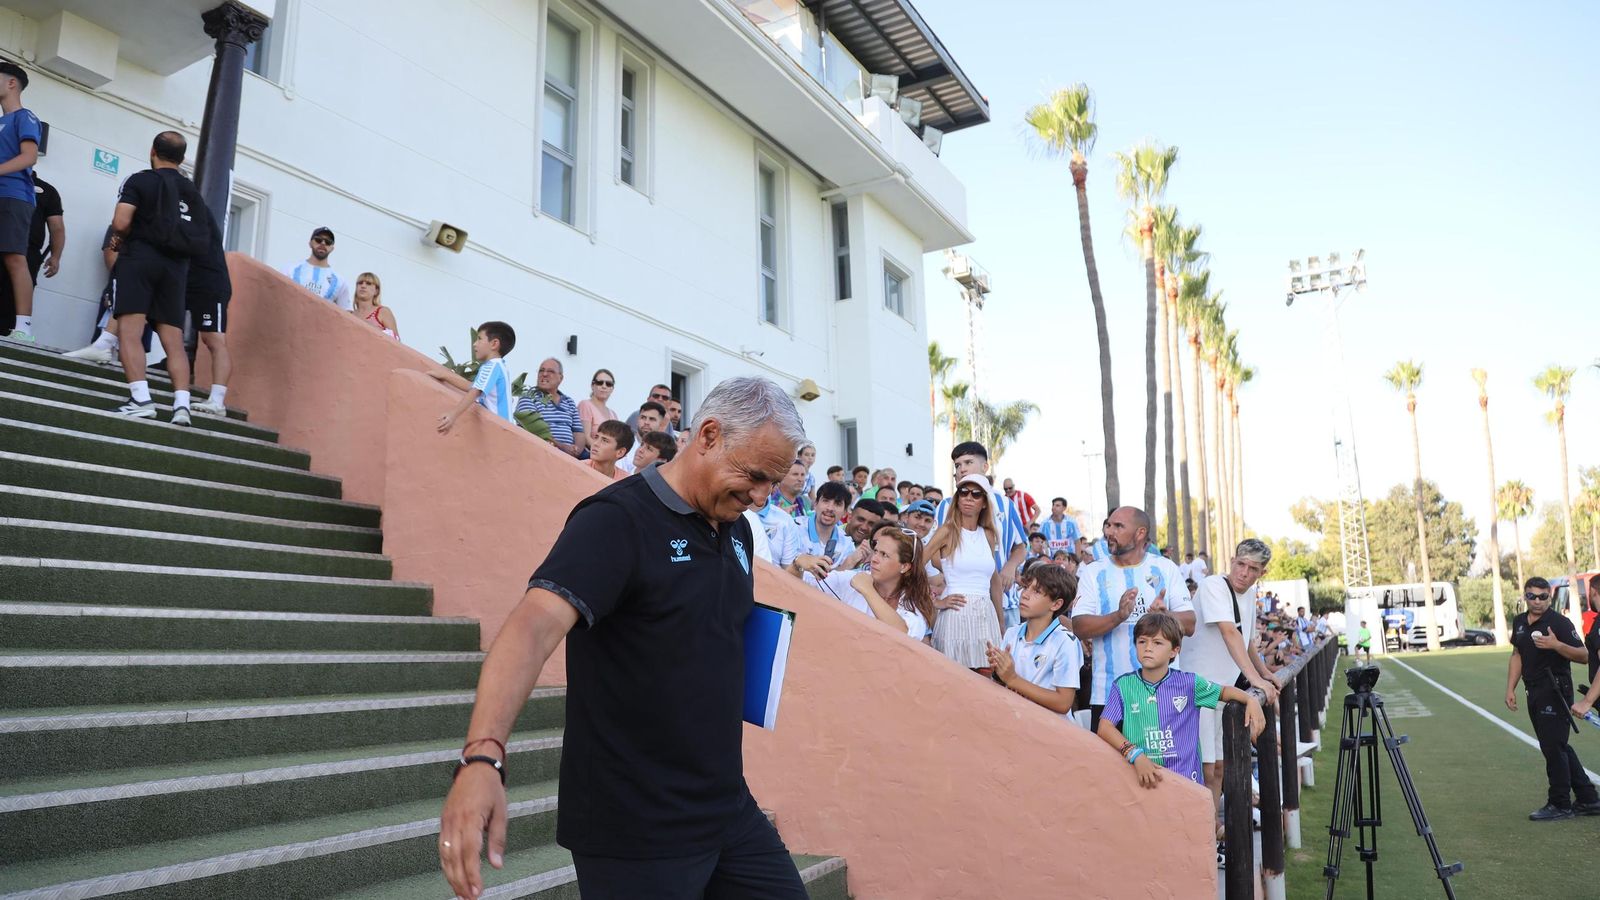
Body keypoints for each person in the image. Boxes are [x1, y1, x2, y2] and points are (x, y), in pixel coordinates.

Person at [438, 377, 810, 900]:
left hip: (725, 806)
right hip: (635, 824)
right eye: (754, 476)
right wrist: (483, 756)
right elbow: (532, 627)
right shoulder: (617, 520)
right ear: (706, 436)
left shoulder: (737, 529)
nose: (761, 496)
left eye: (773, 481)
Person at [1096, 613, 1264, 788]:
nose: (1148, 648)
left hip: (1185, 784)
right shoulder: (1123, 685)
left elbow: (1224, 692)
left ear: (1174, 650)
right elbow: (1105, 727)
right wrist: (1135, 755)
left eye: (1157, 642)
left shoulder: (1190, 683)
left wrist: (1250, 700)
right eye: (1142, 641)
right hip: (1144, 782)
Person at [104, 132, 204, 425]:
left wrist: (118, 239)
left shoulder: (141, 180)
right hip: (175, 268)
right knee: (173, 340)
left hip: (141, 259)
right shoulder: (191, 190)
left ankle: (140, 399)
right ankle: (182, 405)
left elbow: (121, 221)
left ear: (152, 151)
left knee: (129, 331)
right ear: (182, 158)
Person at [1183, 538, 1283, 828]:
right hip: (1198, 687)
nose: (1244, 573)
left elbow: (1246, 639)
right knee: (1204, 768)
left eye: (1253, 569)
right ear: (1232, 561)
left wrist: (1264, 673)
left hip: (1221, 692)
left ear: (1261, 573)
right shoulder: (1214, 585)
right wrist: (1254, 679)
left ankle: (1211, 831)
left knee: (1218, 767)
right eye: (1241, 565)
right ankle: (1205, 833)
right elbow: (1228, 631)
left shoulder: (1249, 595)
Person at [1071, 506, 1195, 729]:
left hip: (1164, 693)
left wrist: (1164, 616)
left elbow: (1190, 623)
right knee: (1110, 765)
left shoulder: (1165, 568)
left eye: (1119, 526)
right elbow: (1079, 626)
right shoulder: (1093, 572)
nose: (1110, 532)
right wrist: (1119, 616)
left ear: (1140, 533)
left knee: (1163, 765)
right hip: (1109, 695)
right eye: (1109, 525)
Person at [1505, 576, 1600, 821]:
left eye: (1543, 596)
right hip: (1533, 690)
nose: (1537, 601)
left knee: (1552, 746)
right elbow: (1517, 654)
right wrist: (1510, 688)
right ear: (1524, 596)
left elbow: (1583, 655)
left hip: (1556, 689)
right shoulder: (1519, 622)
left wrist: (1556, 645)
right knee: (1556, 743)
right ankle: (1588, 798)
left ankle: (1560, 803)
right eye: (1532, 596)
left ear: (1550, 596)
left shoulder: (1559, 622)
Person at [926, 473, 1004, 673]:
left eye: (976, 494)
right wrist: (936, 601)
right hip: (955, 617)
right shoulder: (946, 531)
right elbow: (916, 566)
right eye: (964, 492)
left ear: (985, 502)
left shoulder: (989, 535)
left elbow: (994, 582)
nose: (969, 498)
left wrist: (1001, 626)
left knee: (987, 680)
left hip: (986, 616)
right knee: (953, 681)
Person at [801, 525, 933, 640]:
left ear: (904, 567)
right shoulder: (855, 578)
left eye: (884, 555)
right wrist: (798, 564)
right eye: (875, 551)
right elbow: (801, 581)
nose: (874, 559)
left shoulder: (914, 601)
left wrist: (868, 590)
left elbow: (904, 636)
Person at [987, 564, 1083, 720]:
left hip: (1050, 731)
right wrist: (998, 671)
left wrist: (1012, 679)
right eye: (1026, 587)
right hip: (1017, 723)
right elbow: (1001, 684)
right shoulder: (1012, 633)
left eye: (1037, 591)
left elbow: (1063, 702)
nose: (1025, 595)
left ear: (1056, 604)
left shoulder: (1065, 642)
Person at [0, 60, 40, 344]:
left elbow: (29, 157)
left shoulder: (25, 117)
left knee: (14, 258)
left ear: (11, 82)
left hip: (14, 196)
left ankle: (24, 328)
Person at [185, 185, 233, 417]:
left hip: (210, 283)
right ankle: (107, 342)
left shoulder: (196, 208)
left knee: (213, 339)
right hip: (190, 280)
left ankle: (217, 401)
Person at [0, 172, 62, 336]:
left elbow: (57, 227)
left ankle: (16, 334)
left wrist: (55, 256)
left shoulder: (47, 191)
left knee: (13, 303)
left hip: (28, 252)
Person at [437, 321, 516, 432]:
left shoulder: (492, 366)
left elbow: (475, 391)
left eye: (479, 339)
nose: (475, 344)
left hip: (498, 429)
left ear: (494, 344)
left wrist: (453, 415)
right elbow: (471, 386)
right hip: (503, 429)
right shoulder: (499, 366)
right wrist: (444, 376)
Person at [518, 358, 586, 458]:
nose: (544, 374)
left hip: (570, 457)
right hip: (541, 452)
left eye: (550, 371)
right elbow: (535, 430)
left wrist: (577, 450)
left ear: (560, 378)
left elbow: (578, 432)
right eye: (541, 370)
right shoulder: (528, 397)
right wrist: (563, 447)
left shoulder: (569, 402)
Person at [790, 480, 854, 576]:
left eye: (837, 504)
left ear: (845, 512)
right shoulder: (793, 528)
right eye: (826, 501)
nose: (830, 508)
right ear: (815, 504)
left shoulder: (847, 543)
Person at [284, 226, 352, 310]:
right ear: (310, 243)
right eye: (318, 240)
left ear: (332, 248)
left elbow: (347, 313)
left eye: (328, 242)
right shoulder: (290, 270)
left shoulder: (339, 281)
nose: (323, 243)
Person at [616, 401, 668, 475]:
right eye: (643, 418)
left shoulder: (666, 449)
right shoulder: (622, 442)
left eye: (652, 419)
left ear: (661, 424)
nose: (646, 422)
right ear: (637, 420)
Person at [351, 272, 398, 339]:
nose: (363, 286)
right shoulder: (349, 314)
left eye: (368, 283)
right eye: (360, 283)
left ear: (376, 291)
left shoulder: (383, 312)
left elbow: (396, 341)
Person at [577, 368, 618, 443]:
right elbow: (585, 437)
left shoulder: (613, 415)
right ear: (592, 385)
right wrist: (600, 452)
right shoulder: (585, 405)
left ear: (612, 389)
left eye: (608, 384)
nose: (604, 386)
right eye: (600, 383)